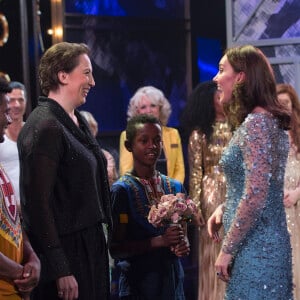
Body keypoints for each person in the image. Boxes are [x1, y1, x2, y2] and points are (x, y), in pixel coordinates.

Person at [17, 42, 112, 300]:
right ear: (62, 75)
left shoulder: (76, 119)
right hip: (68, 254)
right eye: (87, 73)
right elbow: (37, 205)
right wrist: (60, 268)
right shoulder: (45, 126)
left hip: (89, 247)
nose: (92, 81)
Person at [207, 45, 293, 299]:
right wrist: (224, 207)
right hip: (263, 245)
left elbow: (256, 195)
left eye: (222, 70)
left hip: (256, 249)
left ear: (241, 77)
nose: (215, 78)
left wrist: (227, 249)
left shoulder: (257, 124)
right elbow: (256, 186)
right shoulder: (267, 121)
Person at [110, 114, 190, 299]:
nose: (152, 146)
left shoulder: (176, 187)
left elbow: (184, 231)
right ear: (129, 146)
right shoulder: (121, 191)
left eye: (157, 140)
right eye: (143, 140)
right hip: (139, 286)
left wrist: (183, 244)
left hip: (172, 284)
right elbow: (116, 249)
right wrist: (159, 241)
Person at [180, 80, 231, 300]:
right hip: (211, 192)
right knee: (213, 247)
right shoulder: (199, 134)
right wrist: (196, 207)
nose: (222, 98)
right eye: (218, 95)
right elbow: (195, 173)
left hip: (233, 189)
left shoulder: (239, 127)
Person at [0, 78, 40, 299]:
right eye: (4, 111)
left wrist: (32, 256)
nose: (9, 119)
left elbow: (12, 220)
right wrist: (21, 273)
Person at [119, 86, 185, 183]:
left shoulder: (173, 134)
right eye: (143, 107)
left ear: (160, 108)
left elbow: (179, 169)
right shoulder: (127, 135)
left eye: (153, 106)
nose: (148, 110)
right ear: (137, 112)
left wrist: (173, 190)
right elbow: (125, 170)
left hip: (170, 193)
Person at [277, 83, 300, 300]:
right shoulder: (268, 137)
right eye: (279, 104)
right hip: (277, 210)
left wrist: (296, 194)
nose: (283, 108)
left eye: (287, 103)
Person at [0, 81, 27, 209]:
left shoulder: (34, 131)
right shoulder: (2, 137)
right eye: (12, 100)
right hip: (7, 211)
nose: (16, 105)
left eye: (20, 100)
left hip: (32, 209)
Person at [80, 110, 118, 187]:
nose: (85, 133)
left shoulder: (106, 156)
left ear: (94, 130)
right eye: (81, 129)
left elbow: (112, 181)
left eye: (88, 129)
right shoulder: (70, 155)